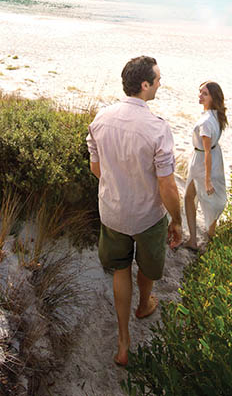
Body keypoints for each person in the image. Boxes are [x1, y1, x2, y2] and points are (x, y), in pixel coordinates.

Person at [86, 56, 182, 367]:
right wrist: (177, 220)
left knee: (120, 269)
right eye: (157, 79)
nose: (160, 83)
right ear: (144, 85)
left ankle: (123, 339)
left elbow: (96, 168)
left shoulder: (100, 118)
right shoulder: (157, 128)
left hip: (112, 212)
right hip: (147, 215)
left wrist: (120, 186)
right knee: (147, 265)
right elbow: (167, 187)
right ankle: (144, 305)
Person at [182, 81, 228, 252]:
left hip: (202, 161)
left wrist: (207, 180)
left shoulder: (206, 122)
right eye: (200, 92)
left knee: (189, 197)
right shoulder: (216, 115)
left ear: (213, 98)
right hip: (214, 158)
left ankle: (194, 239)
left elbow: (206, 152)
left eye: (205, 94)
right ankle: (210, 234)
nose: (200, 95)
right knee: (210, 199)